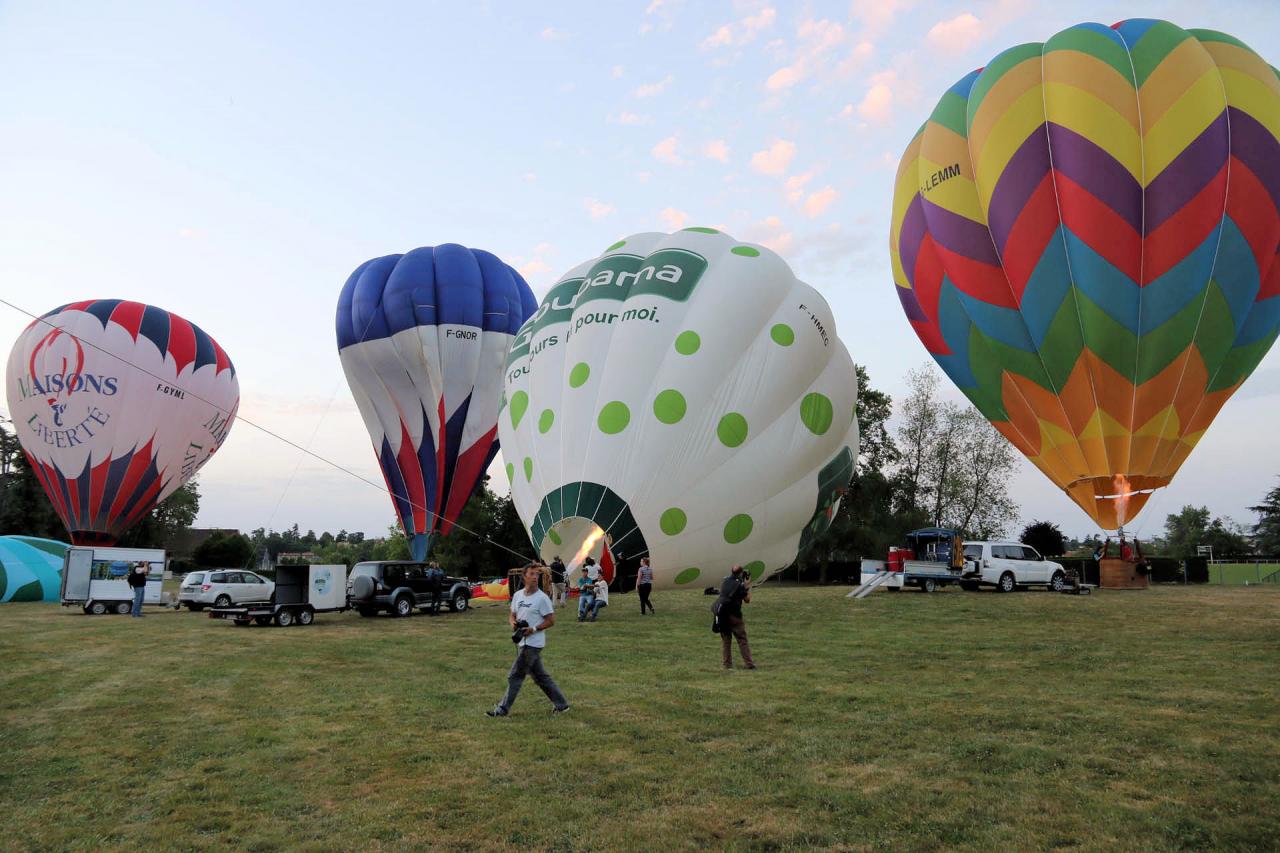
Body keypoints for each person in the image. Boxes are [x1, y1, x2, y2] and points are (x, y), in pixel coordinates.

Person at [487, 565, 569, 717]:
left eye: (537, 574)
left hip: (533, 644)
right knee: (540, 677)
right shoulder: (518, 595)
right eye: (531, 574)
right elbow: (512, 614)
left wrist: (534, 629)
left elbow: (551, 621)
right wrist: (513, 623)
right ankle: (562, 705)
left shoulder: (542, 598)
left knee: (515, 676)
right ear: (524, 576)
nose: (535, 577)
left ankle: (502, 709)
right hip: (522, 642)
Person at [715, 565, 754, 669]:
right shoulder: (740, 585)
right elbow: (747, 600)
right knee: (742, 639)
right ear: (741, 573)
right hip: (735, 615)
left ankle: (727, 664)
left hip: (723, 615)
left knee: (726, 641)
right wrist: (747, 586)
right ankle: (749, 664)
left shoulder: (725, 581)